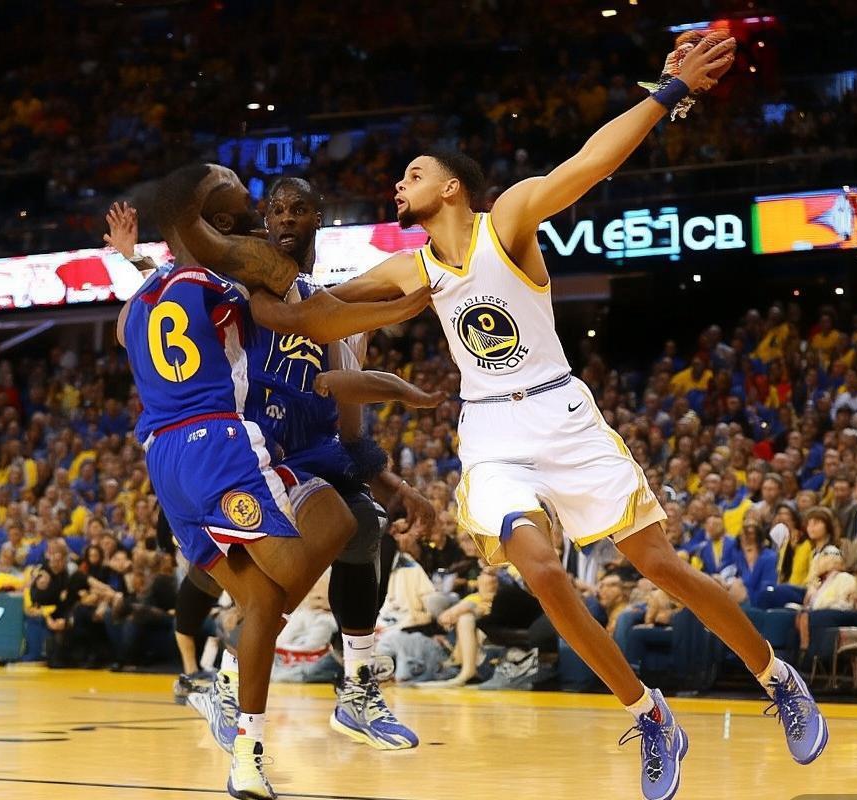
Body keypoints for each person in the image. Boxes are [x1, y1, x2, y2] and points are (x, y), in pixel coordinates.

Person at [281, 35, 824, 800]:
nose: (399, 183)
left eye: (415, 173)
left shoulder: (507, 221)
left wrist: (668, 95)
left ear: (453, 189)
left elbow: (589, 164)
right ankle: (647, 712)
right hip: (491, 432)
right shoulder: (411, 268)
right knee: (541, 570)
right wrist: (247, 280)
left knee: (659, 566)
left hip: (562, 412)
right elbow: (317, 310)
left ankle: (776, 677)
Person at [119, 163, 429, 799]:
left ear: (318, 218)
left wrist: (140, 262)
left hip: (206, 452)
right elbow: (292, 313)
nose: (282, 218)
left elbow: (338, 385)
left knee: (354, 528)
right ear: (243, 223)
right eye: (269, 208)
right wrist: (412, 306)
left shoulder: (168, 295)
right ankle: (241, 676)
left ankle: (295, 703)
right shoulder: (243, 281)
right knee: (259, 589)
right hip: (234, 445)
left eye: (296, 209)